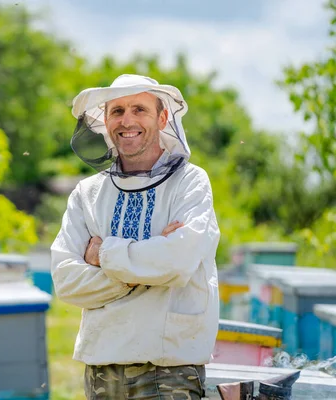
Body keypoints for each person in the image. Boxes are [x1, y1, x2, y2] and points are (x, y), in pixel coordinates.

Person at [50, 74, 220, 399]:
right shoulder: (88, 193)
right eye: (117, 111)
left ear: (162, 117)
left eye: (139, 109)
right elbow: (65, 280)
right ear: (105, 120)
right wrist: (144, 269)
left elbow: (179, 262)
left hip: (169, 368)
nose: (127, 120)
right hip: (101, 368)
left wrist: (103, 258)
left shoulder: (191, 184)